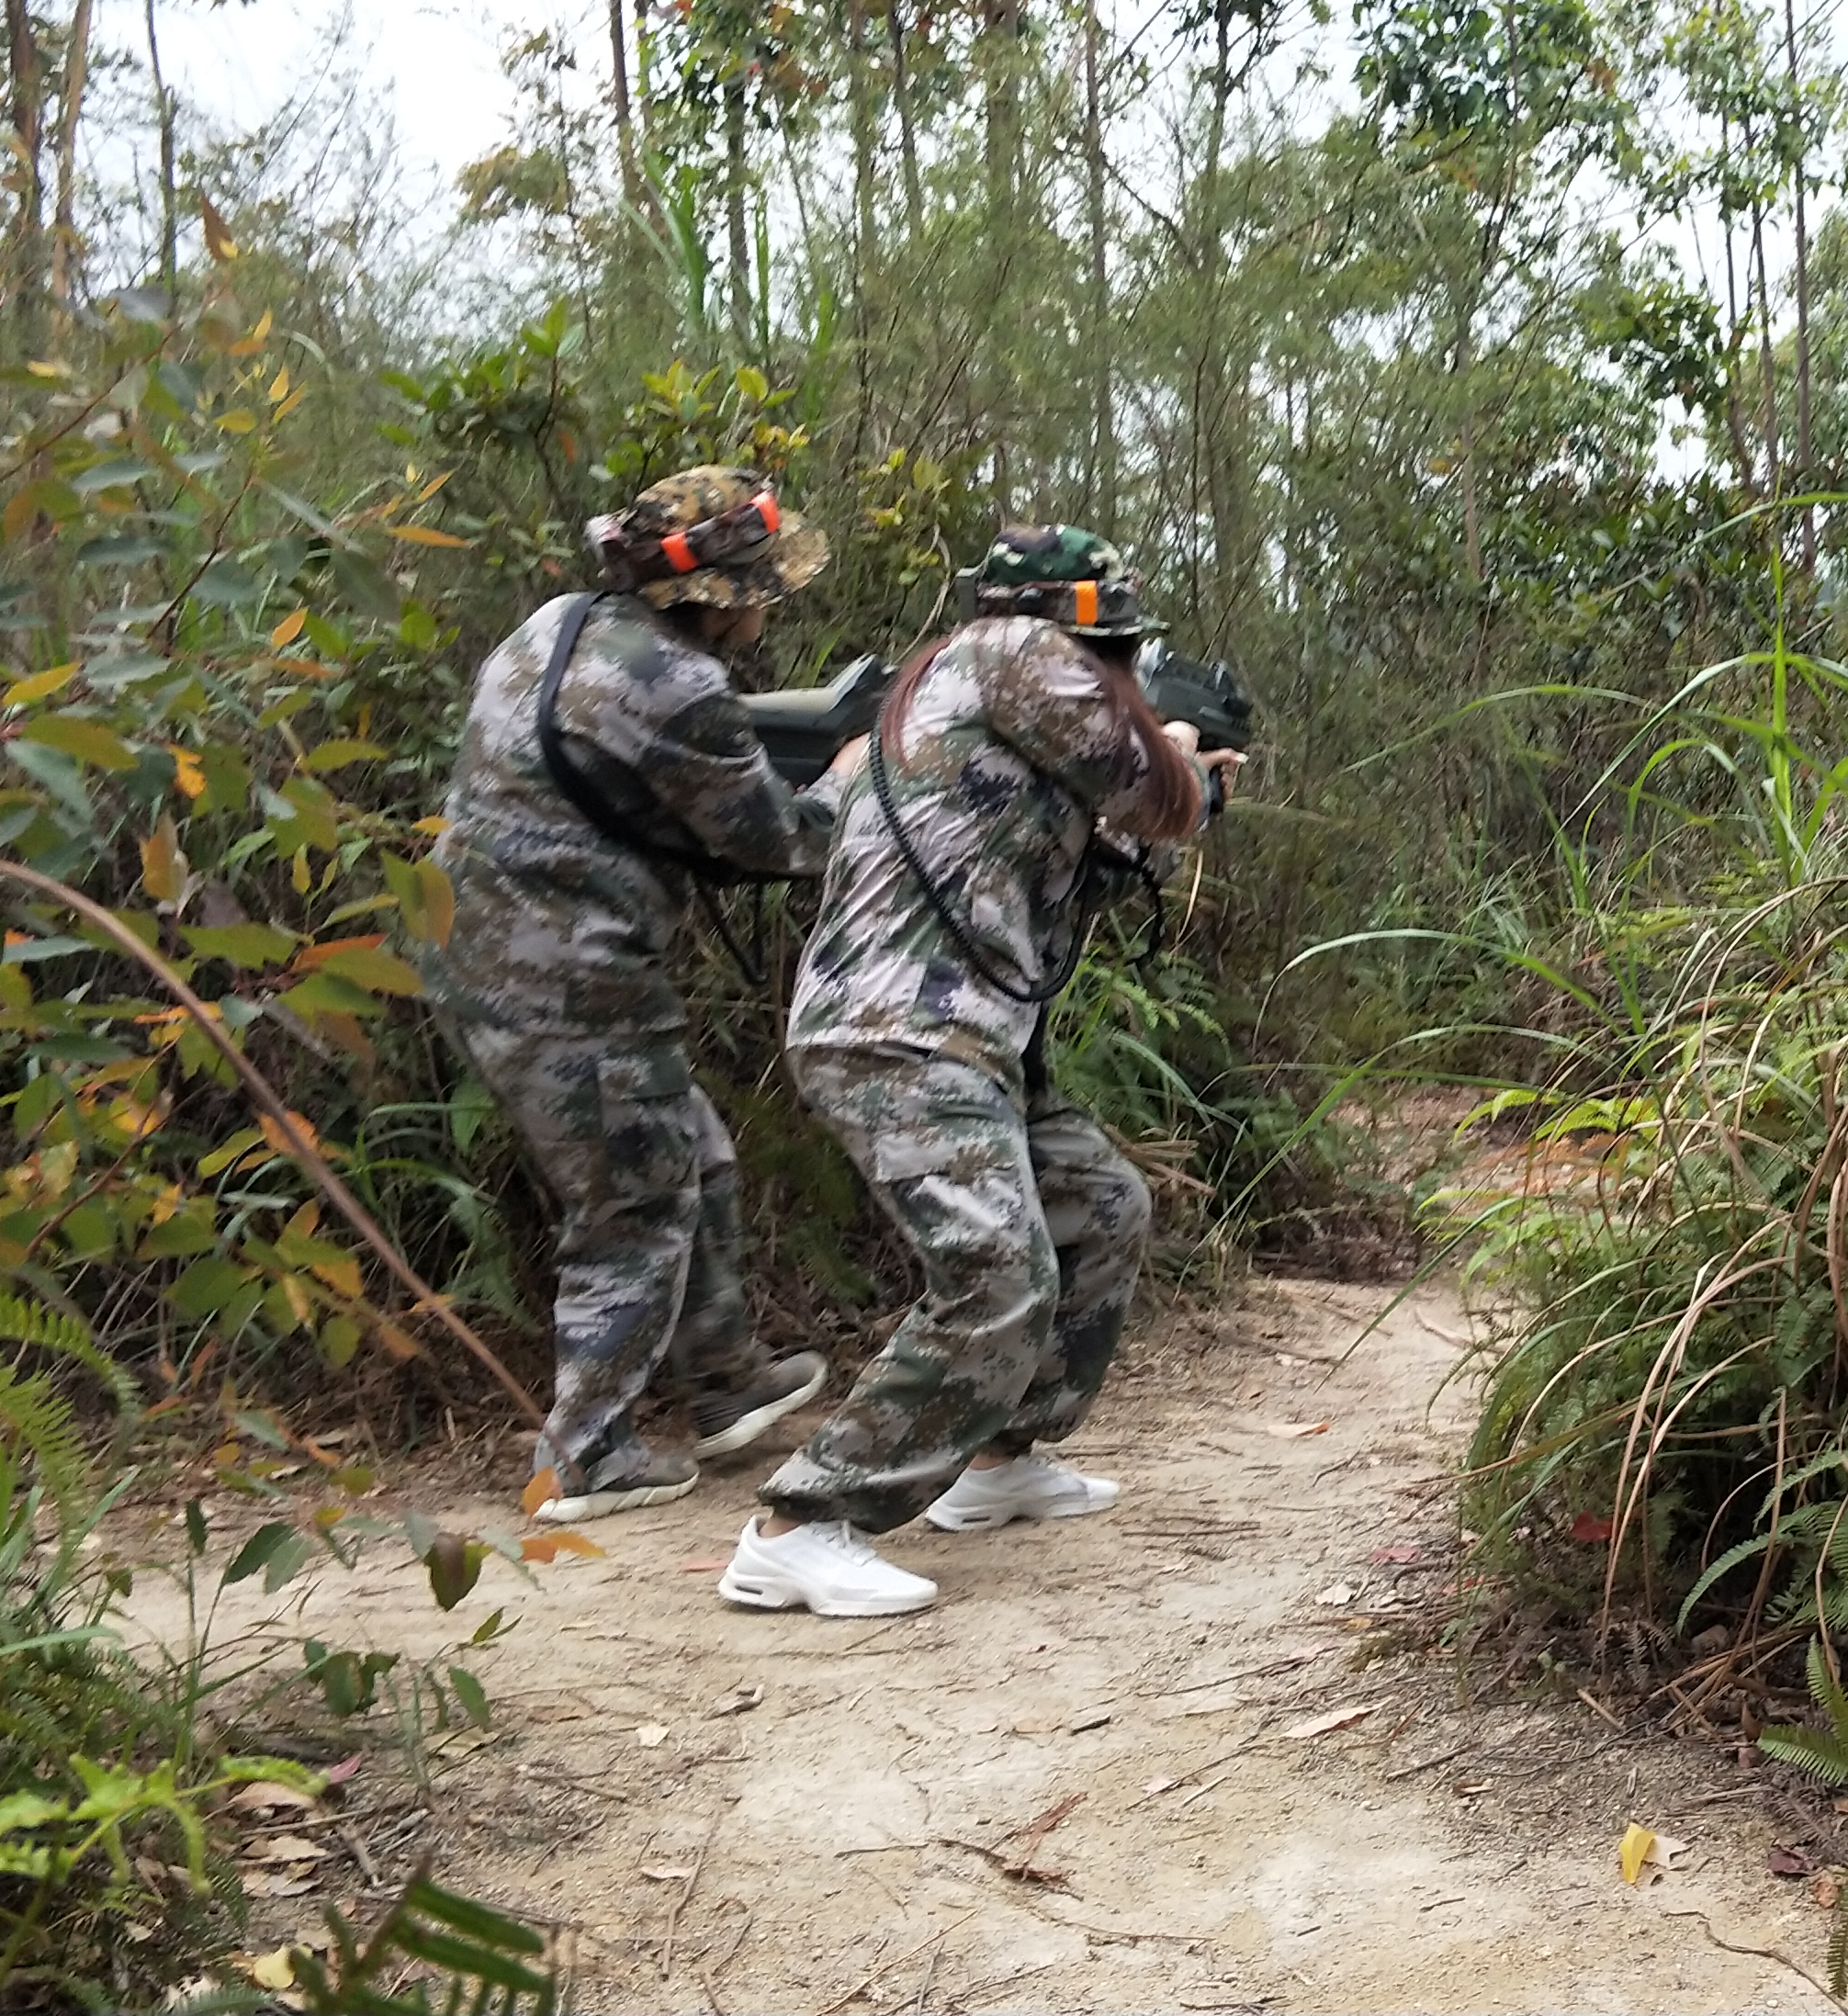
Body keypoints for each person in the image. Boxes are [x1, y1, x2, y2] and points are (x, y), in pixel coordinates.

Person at [718, 524, 1236, 1617]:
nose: (1115, 675)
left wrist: (1174, 789)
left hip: (975, 1032)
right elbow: (1154, 791)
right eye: (1110, 655)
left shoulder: (992, 715)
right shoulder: (1006, 653)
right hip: (899, 1027)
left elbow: (1088, 864)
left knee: (1101, 1207)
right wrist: (1185, 762)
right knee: (997, 1275)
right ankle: (801, 1523)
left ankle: (1001, 1461)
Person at [420, 466, 842, 1526]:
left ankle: (724, 1378)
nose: (766, 608)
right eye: (761, 589)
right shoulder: (681, 684)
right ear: (723, 597)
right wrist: (849, 780)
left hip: (476, 953)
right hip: (564, 982)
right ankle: (586, 1454)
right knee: (634, 1205)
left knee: (693, 1151)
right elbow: (777, 843)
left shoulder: (557, 625)